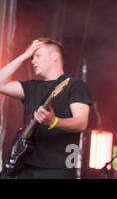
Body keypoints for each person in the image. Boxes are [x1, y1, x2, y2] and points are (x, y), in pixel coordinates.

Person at [0, 38, 91, 179]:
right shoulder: (30, 87)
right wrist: (25, 55)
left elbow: (81, 122)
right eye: (32, 57)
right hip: (26, 167)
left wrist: (54, 121)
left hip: (57, 168)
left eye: (38, 56)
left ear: (54, 56)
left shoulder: (74, 85)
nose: (33, 61)